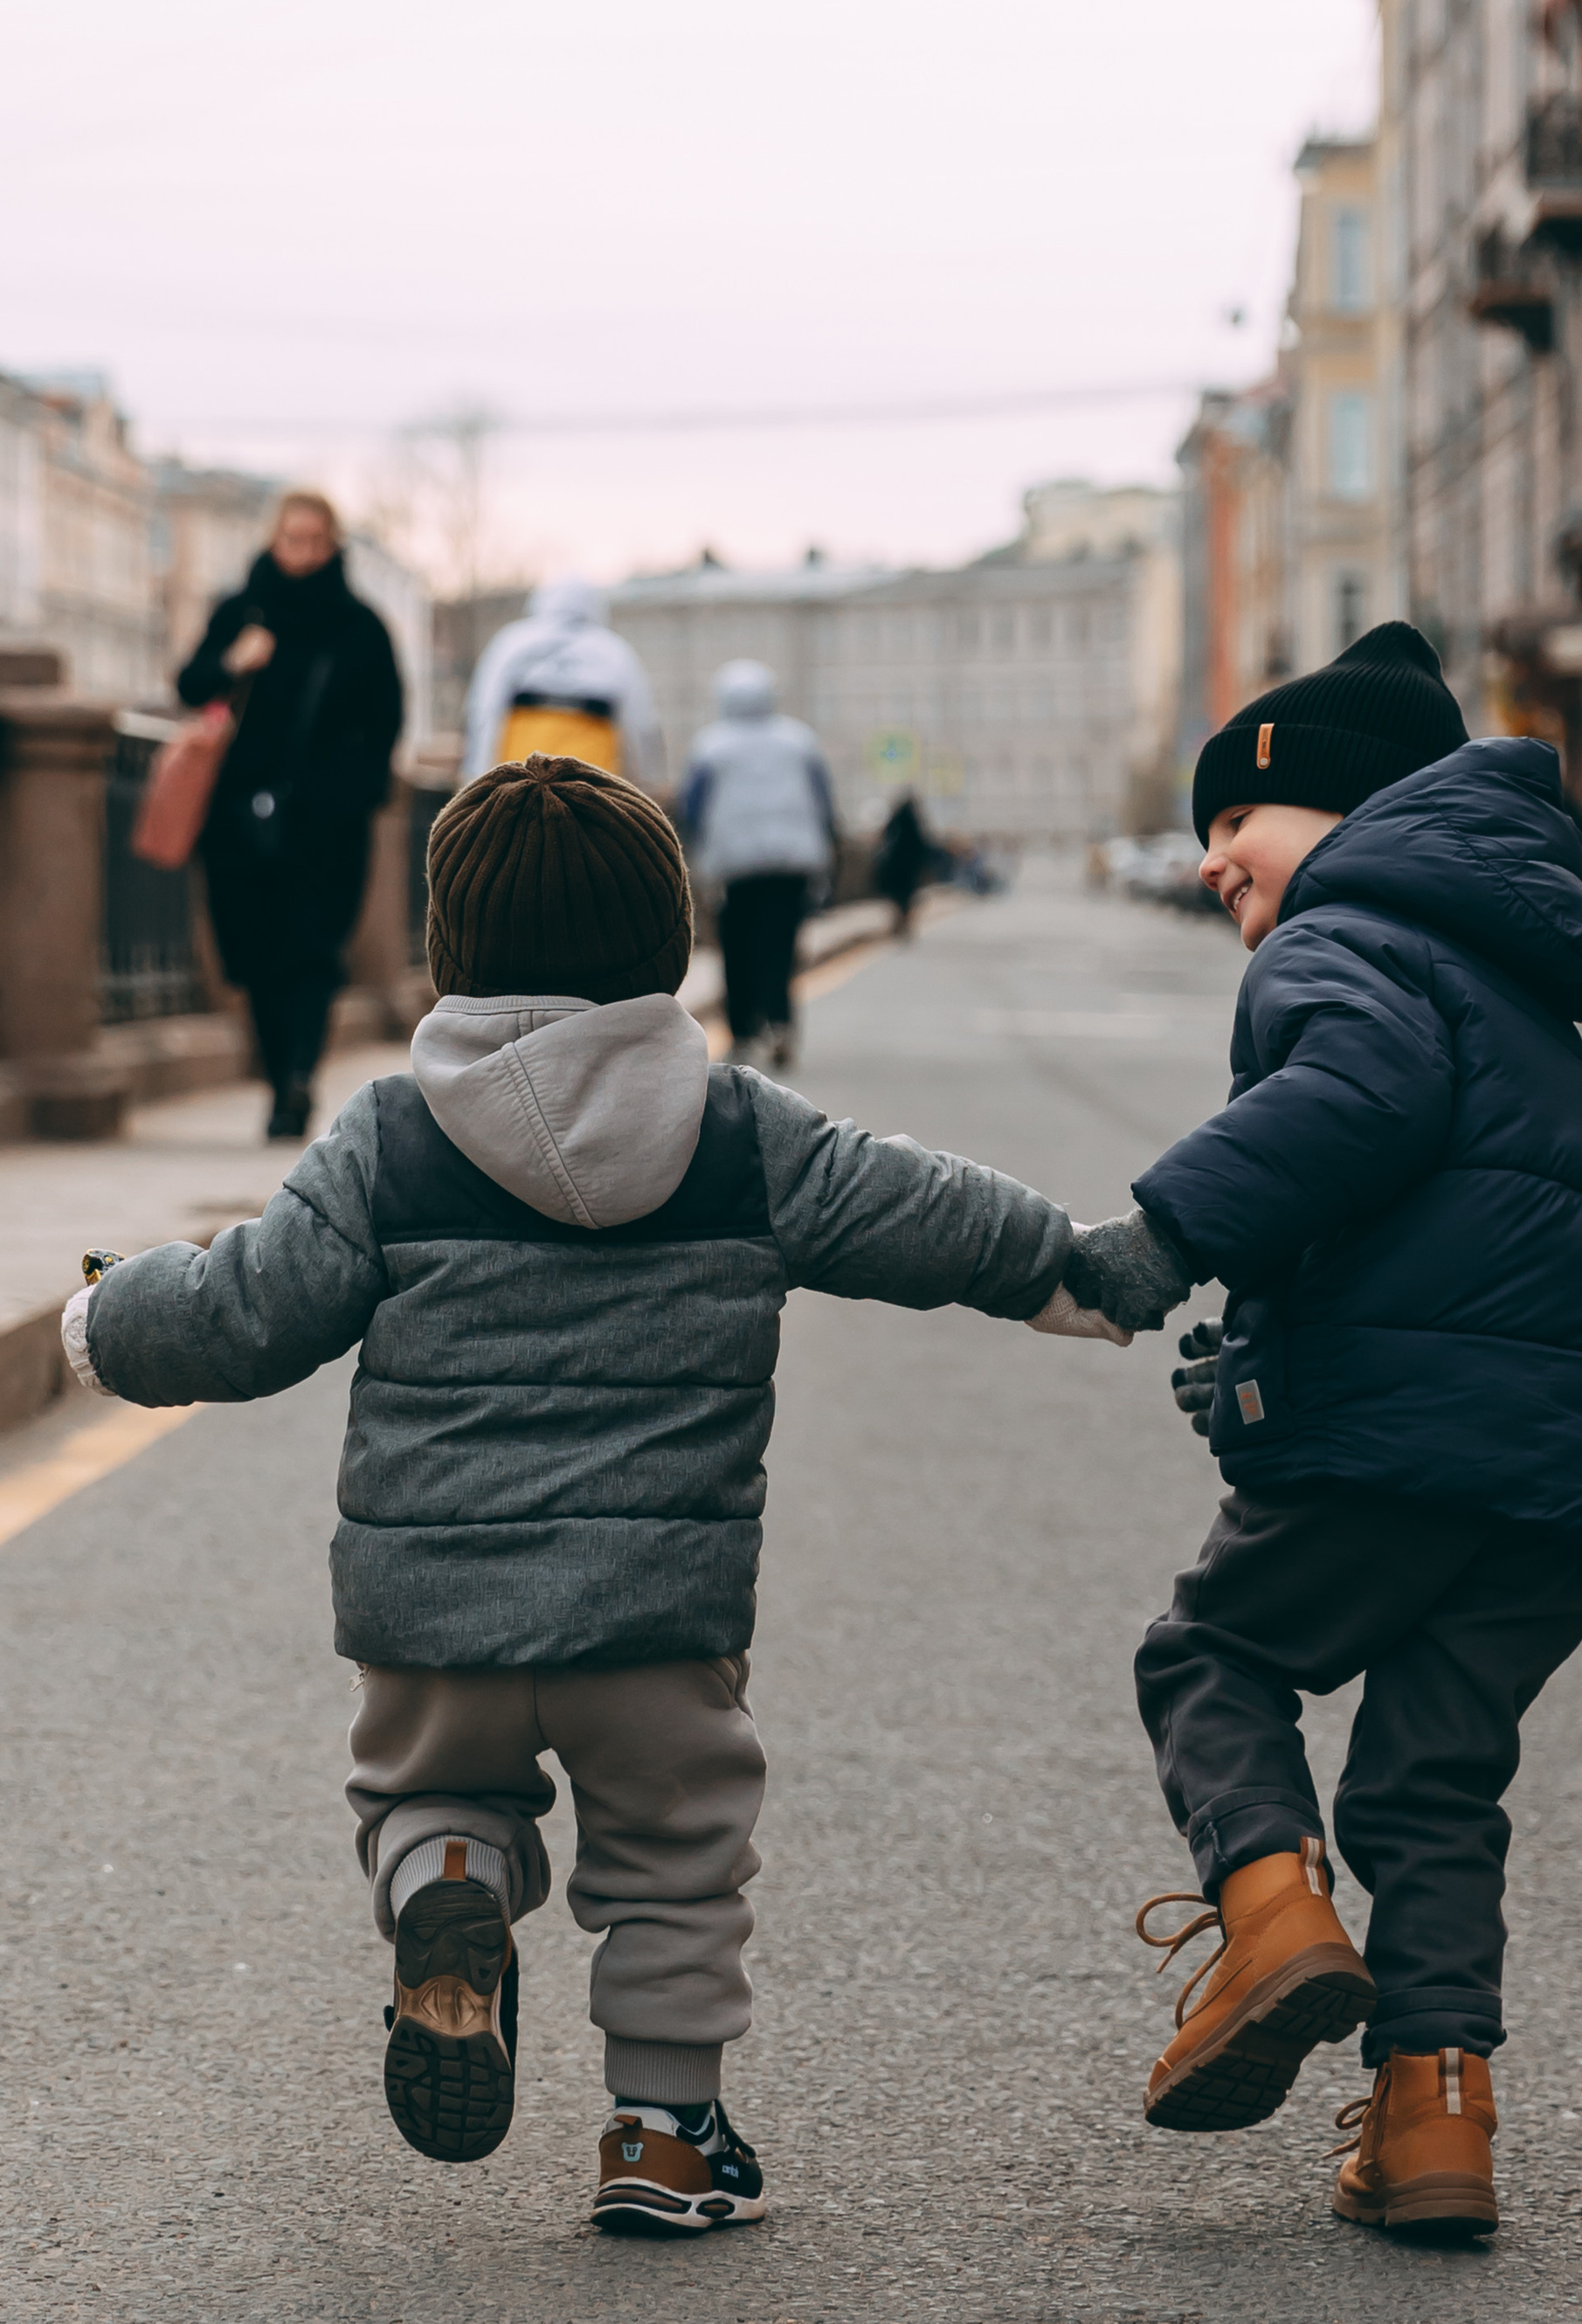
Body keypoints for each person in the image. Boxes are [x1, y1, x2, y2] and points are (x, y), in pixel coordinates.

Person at [60, 753, 1124, 2238]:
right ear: (669, 936)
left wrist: (106, 1319)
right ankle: (666, 2141)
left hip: (435, 1614)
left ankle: (448, 1876)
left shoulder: (390, 1140)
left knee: (430, 1792)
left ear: (450, 943)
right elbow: (920, 1210)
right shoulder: (742, 1134)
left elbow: (243, 1309)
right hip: (655, 1621)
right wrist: (1072, 1269)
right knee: (675, 1865)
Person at [1057, 623, 1582, 2244]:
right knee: (1431, 1787)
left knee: (1210, 1657)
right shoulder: (1495, 961)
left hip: (1418, 1436)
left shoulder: (1343, 934)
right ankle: (1433, 2121)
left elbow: (1358, 1107)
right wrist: (1262, 1367)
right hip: (1564, 1469)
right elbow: (1448, 1229)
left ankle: (1272, 1915)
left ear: (1345, 813)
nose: (1211, 863)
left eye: (1233, 823)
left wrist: (1163, 1238)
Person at [176, 492, 404, 1142]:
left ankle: (298, 1077)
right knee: (253, 952)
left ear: (333, 545)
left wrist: (350, 793)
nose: (303, 552)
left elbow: (386, 719)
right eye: (292, 539)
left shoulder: (360, 625)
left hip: (326, 825)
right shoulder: (241, 613)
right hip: (238, 817)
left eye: (315, 540)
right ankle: (280, 1074)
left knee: (312, 952)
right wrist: (234, 661)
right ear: (273, 541)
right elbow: (189, 684)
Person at [680, 661, 836, 1070]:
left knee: (738, 949)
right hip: (792, 863)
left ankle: (743, 1032)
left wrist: (693, 855)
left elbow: (692, 807)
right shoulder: (799, 740)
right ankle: (780, 1022)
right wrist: (826, 851)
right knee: (781, 946)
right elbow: (823, 800)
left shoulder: (710, 745)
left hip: (735, 867)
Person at [460, 576, 664, 786]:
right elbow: (643, 725)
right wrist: (651, 782)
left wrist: (475, 777)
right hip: (590, 786)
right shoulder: (614, 651)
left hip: (521, 782)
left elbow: (483, 712)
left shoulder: (512, 642)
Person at [872, 790, 939, 934]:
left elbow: (885, 838)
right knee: (907, 897)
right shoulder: (915, 826)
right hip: (909, 869)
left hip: (897, 867)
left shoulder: (897, 823)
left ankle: (900, 921)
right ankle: (904, 922)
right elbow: (923, 847)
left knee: (896, 896)